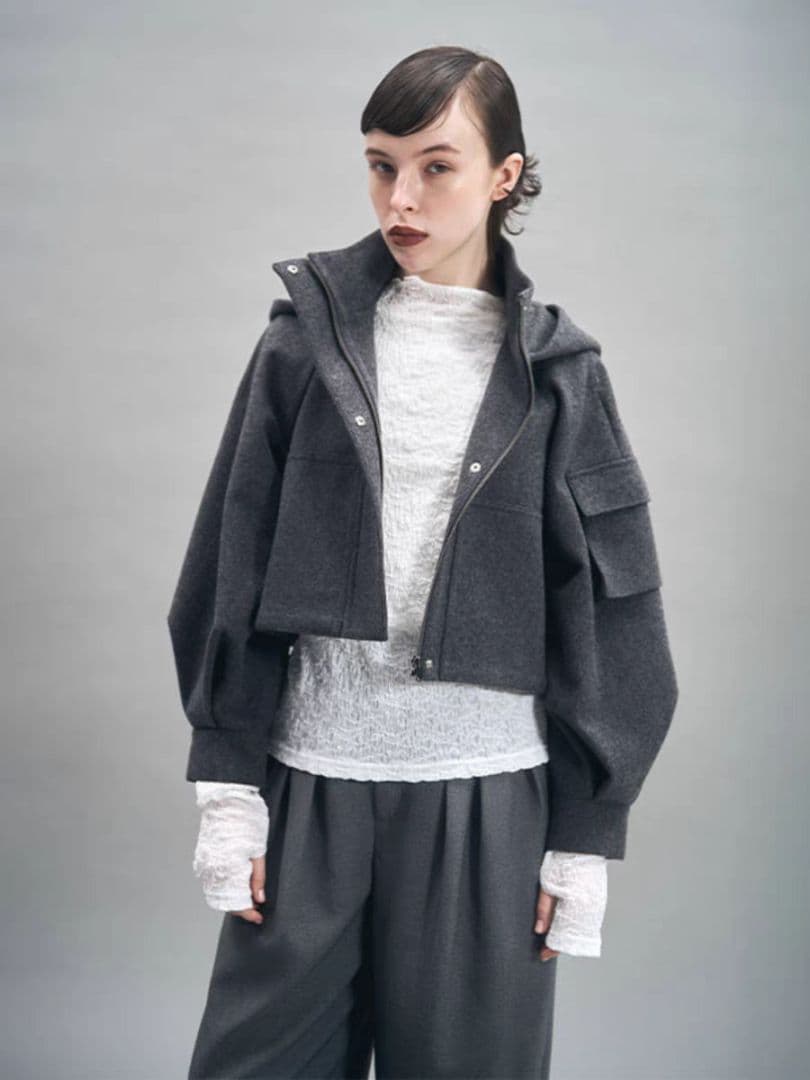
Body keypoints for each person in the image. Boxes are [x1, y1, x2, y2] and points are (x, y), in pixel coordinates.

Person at [167, 45, 678, 1080]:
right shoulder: (302, 346)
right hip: (309, 788)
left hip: (486, 805)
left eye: (437, 166)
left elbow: (613, 606)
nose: (401, 198)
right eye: (380, 165)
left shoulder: (559, 374)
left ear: (503, 176)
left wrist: (588, 830)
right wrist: (227, 785)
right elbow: (228, 554)